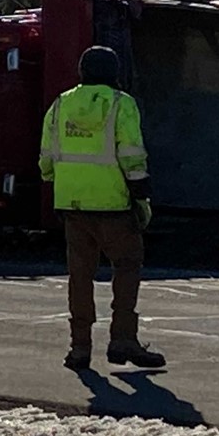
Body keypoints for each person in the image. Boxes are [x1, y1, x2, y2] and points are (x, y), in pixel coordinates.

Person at [39, 45, 165, 370]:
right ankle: (123, 338)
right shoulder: (121, 104)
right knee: (126, 266)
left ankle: (80, 347)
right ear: (114, 72)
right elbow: (131, 154)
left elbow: (46, 158)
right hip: (113, 203)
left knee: (79, 275)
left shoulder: (61, 103)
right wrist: (141, 194)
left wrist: (61, 183)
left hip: (72, 203)